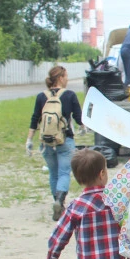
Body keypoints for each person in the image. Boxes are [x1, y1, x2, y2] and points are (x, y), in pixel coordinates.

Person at [26, 66, 83, 221]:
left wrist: (29, 139)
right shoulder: (70, 95)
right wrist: (83, 128)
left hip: (46, 142)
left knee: (53, 172)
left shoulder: (41, 96)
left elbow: (34, 119)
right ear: (60, 78)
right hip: (65, 140)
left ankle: (56, 201)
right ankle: (60, 200)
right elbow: (79, 118)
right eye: (66, 76)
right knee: (64, 172)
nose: (67, 79)